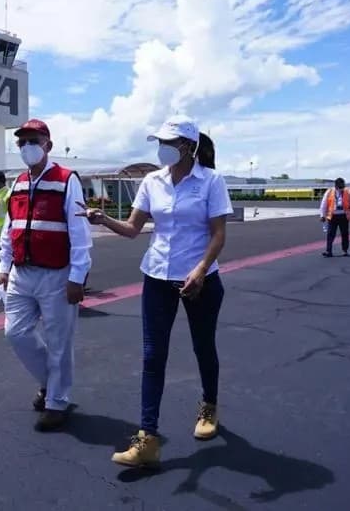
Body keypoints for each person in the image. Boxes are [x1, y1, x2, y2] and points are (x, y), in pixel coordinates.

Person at [78, 116, 232, 467]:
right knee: (152, 356)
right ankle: (148, 438)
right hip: (157, 277)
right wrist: (103, 220)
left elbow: (219, 234)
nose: (162, 149)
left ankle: (209, 405)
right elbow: (134, 228)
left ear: (188, 147)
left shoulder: (211, 181)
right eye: (159, 142)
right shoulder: (152, 181)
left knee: (203, 346)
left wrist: (200, 270)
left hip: (201, 279)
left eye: (169, 142)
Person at [0, 119, 92, 432]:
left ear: (48, 144)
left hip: (56, 275)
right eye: (22, 142)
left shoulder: (67, 180)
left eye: (33, 141)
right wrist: (3, 269)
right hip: (22, 274)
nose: (27, 147)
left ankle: (56, 402)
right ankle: (50, 383)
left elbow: (79, 234)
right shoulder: (18, 183)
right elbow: (9, 229)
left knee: (58, 341)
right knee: (15, 333)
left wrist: (78, 277)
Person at [320, 177, 350, 257]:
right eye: (340, 187)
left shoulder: (348, 191)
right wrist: (322, 215)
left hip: (344, 216)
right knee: (330, 234)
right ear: (336, 186)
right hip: (333, 216)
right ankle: (328, 251)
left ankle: (345, 250)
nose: (342, 189)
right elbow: (324, 204)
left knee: (344, 233)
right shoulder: (329, 192)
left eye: (343, 186)